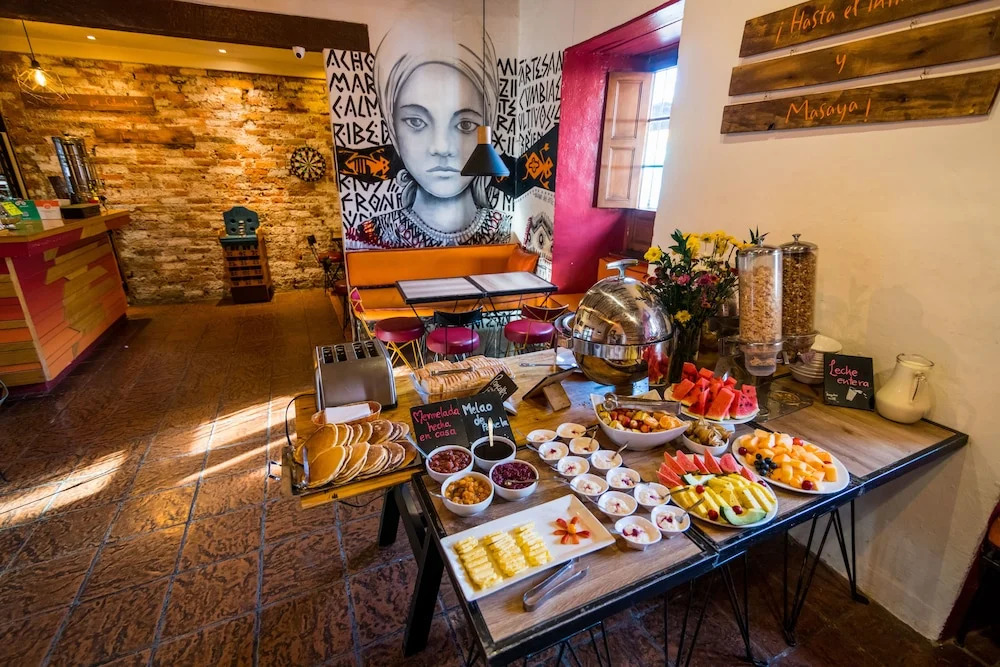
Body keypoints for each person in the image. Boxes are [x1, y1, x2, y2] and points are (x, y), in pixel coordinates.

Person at [348, 11, 512, 248]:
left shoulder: (507, 230)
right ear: (393, 129)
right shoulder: (366, 238)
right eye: (416, 122)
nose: (442, 147)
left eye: (465, 125)